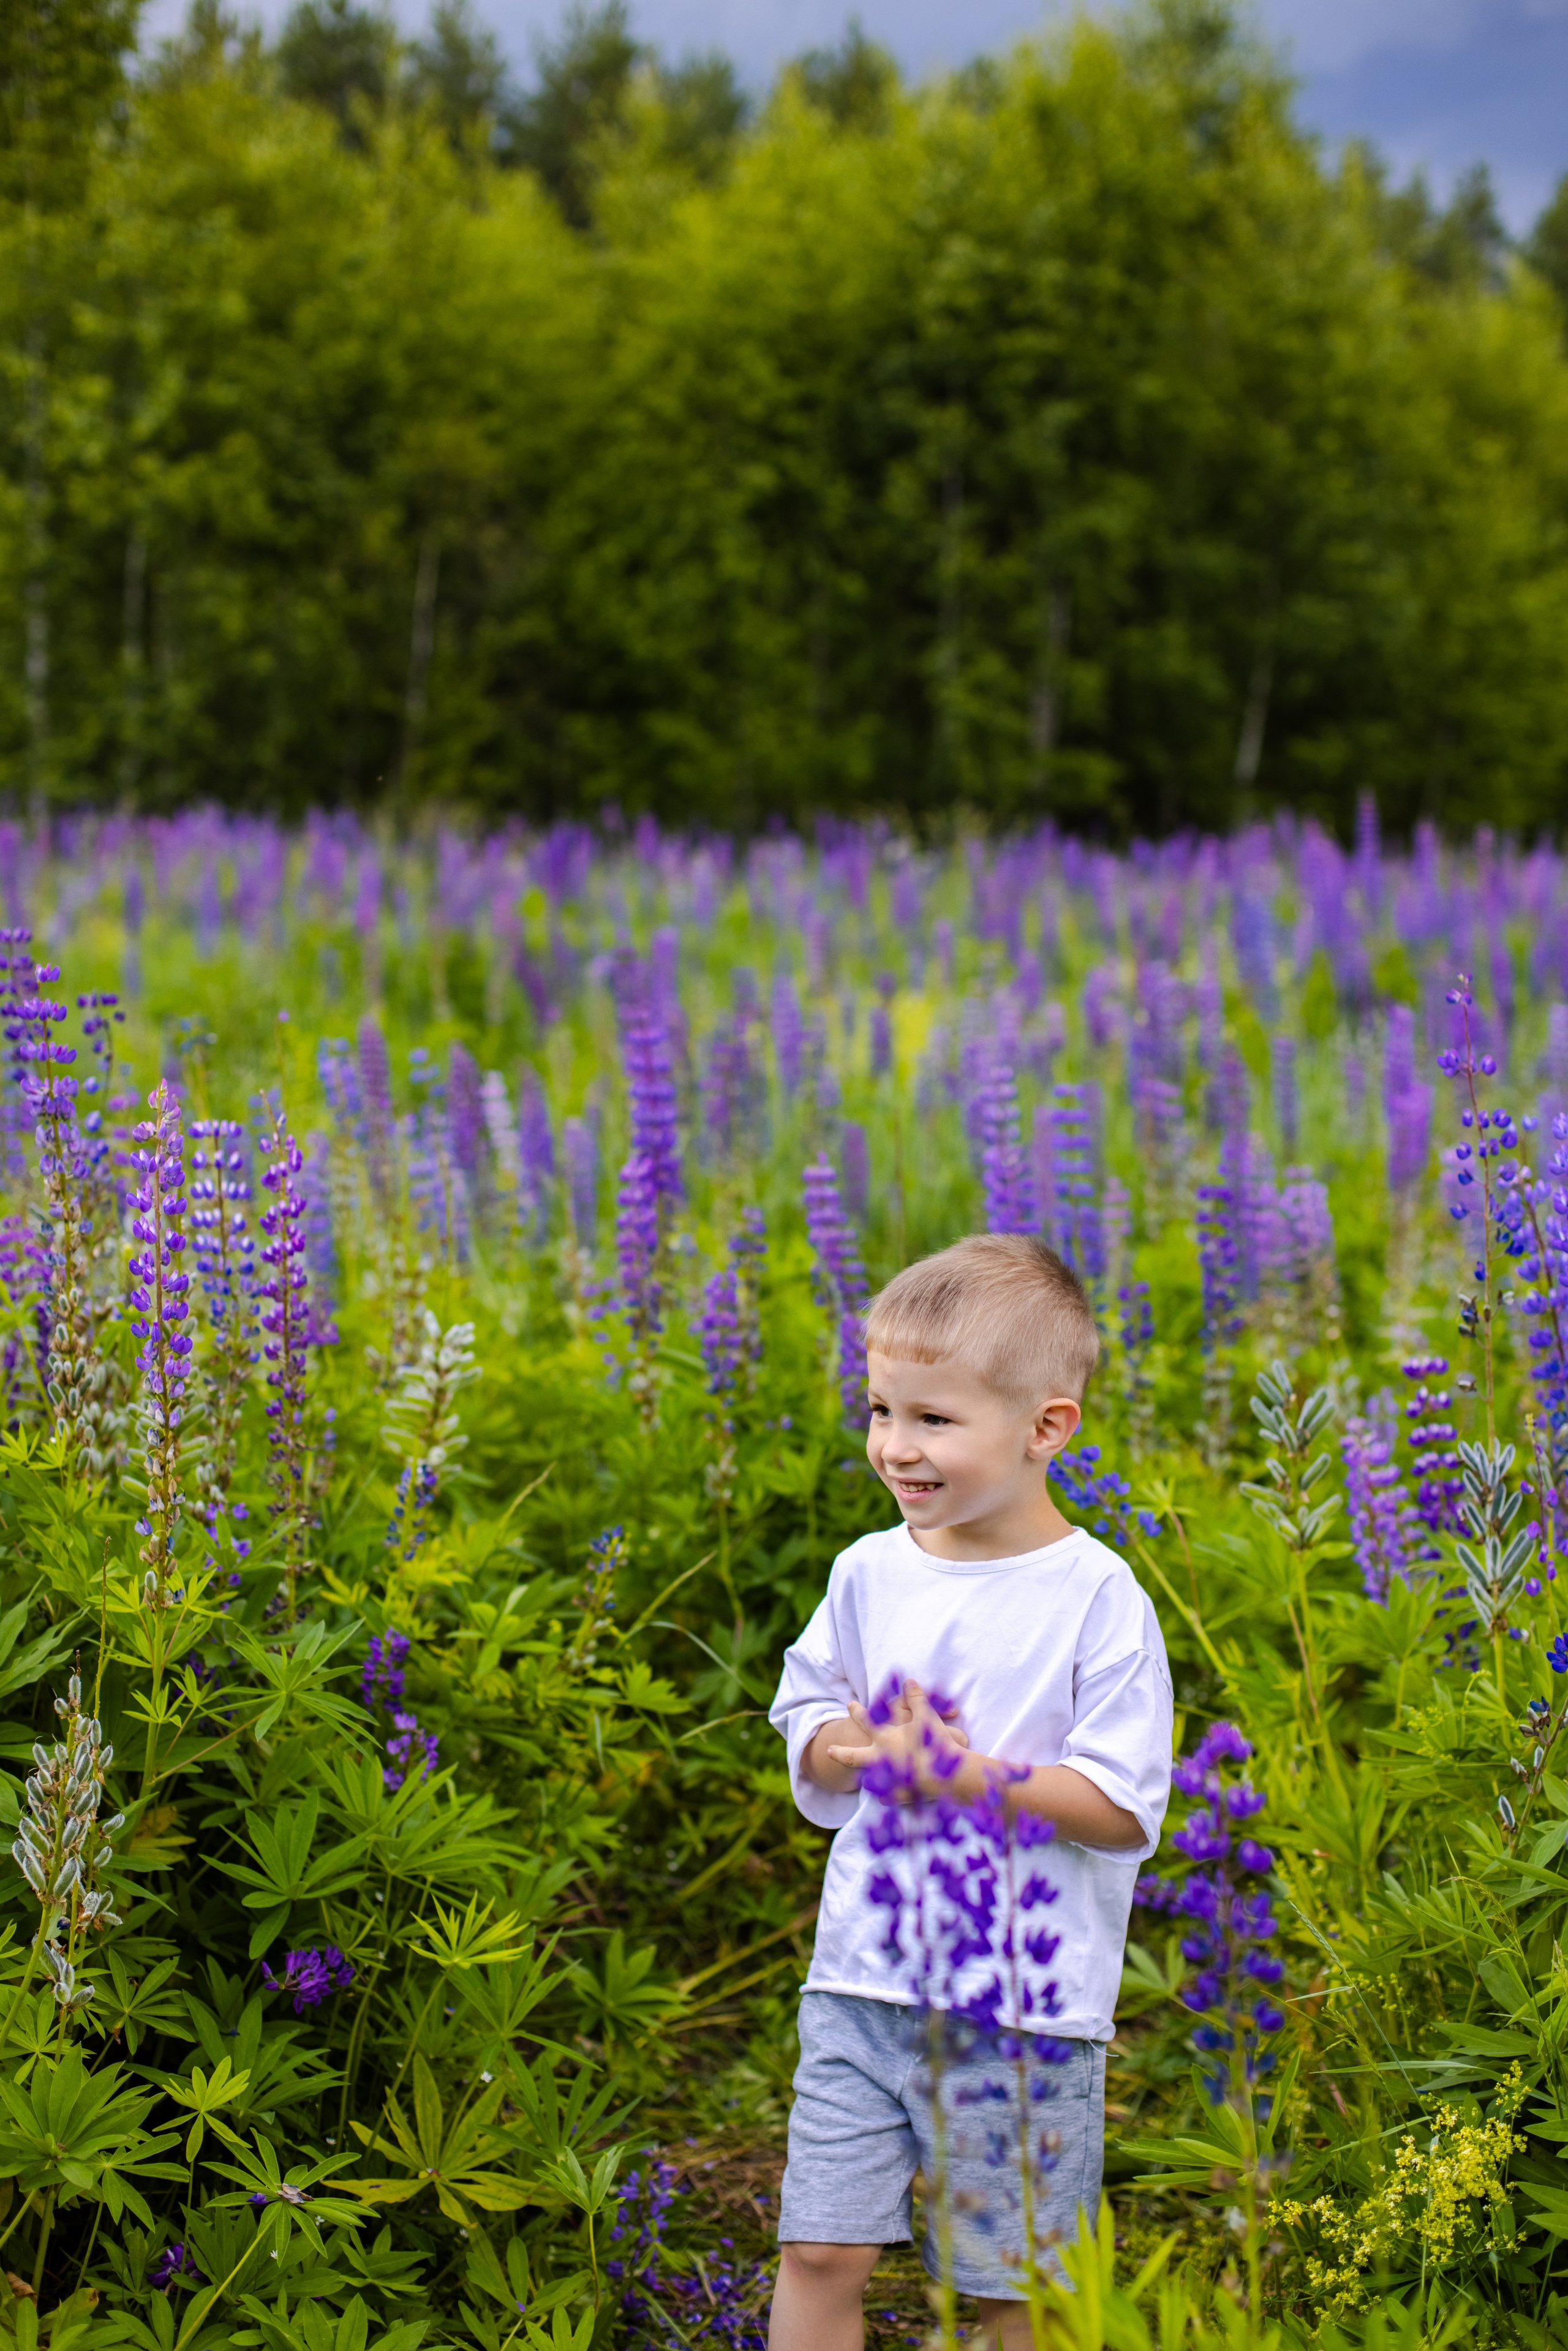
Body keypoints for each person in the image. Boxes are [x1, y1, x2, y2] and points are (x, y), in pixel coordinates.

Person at [766, 1232, 1172, 2351]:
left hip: (1021, 2006)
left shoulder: (1095, 1594)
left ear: (1047, 1427)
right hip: (861, 1978)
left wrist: (966, 1776)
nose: (896, 1447)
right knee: (819, 2247)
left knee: (1013, 2285)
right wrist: (851, 1740)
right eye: (881, 1410)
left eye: (933, 1419)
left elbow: (1125, 1803)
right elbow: (805, 1715)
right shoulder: (869, 1569)